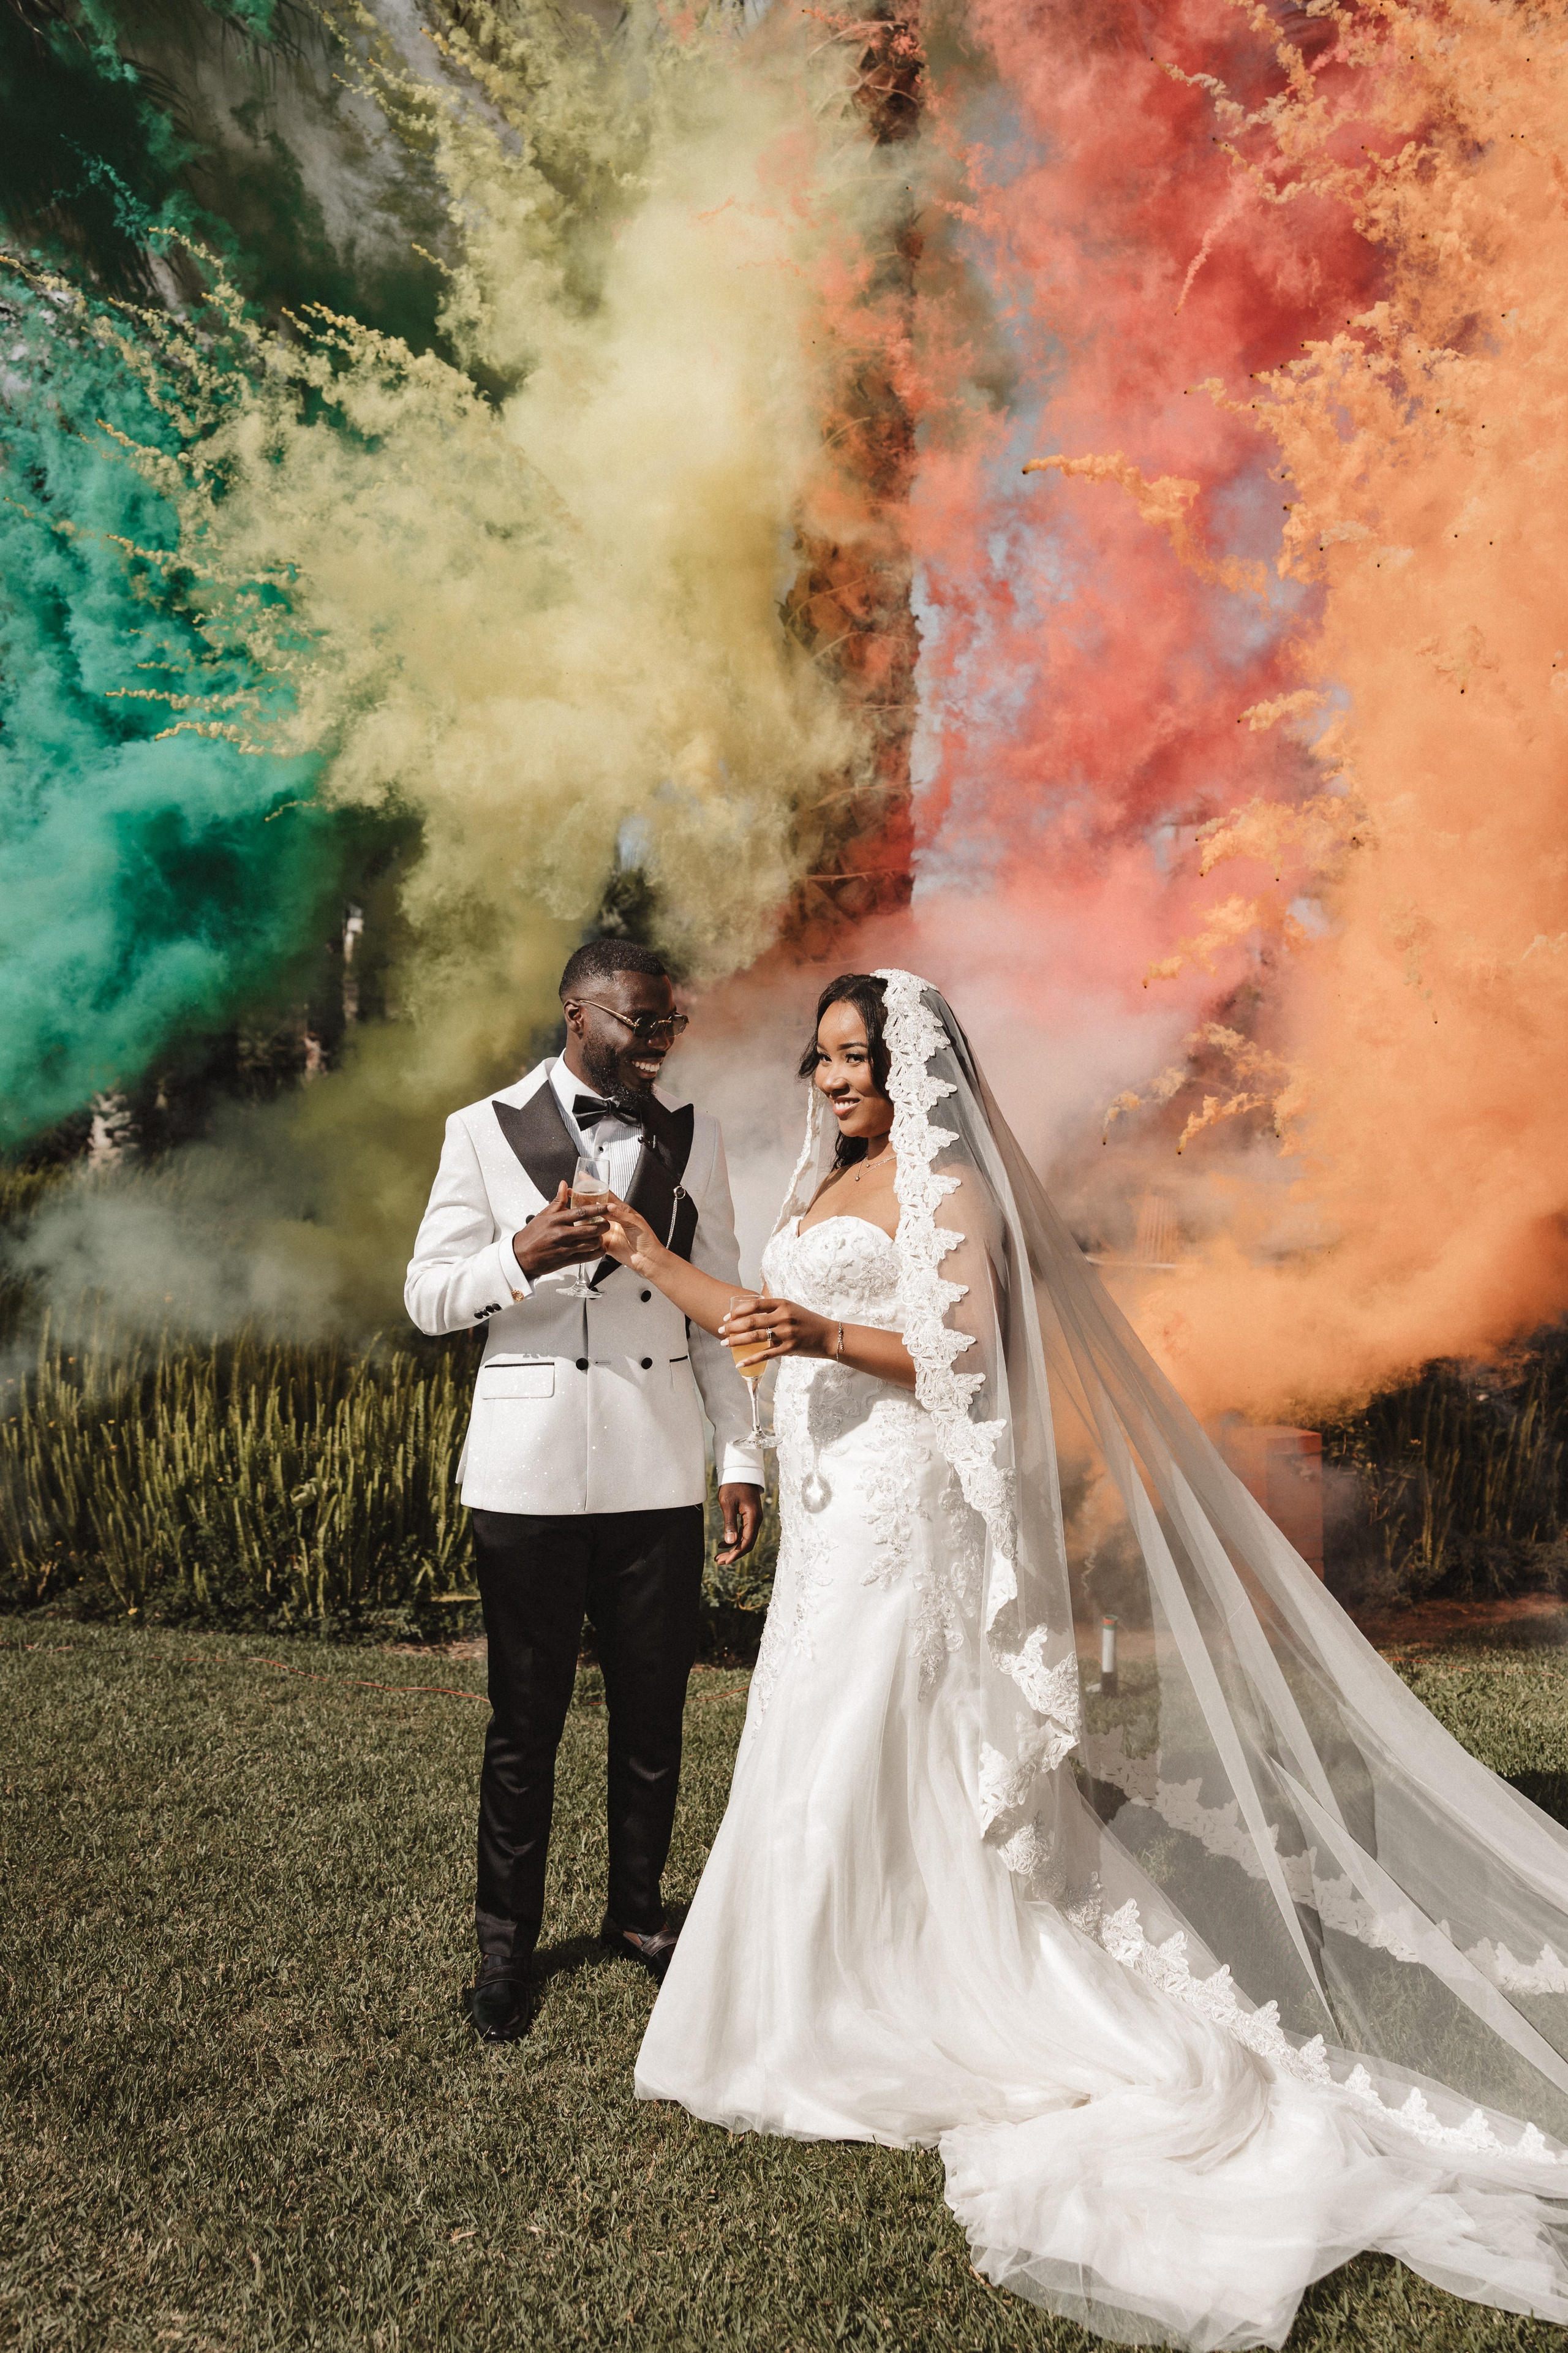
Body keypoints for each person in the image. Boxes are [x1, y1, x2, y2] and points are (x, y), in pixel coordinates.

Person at [598, 967, 1568, 2351]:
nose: (833, 1080)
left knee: (891, 1734)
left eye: (857, 1056)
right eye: (820, 1059)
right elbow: (766, 1324)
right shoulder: (823, 1189)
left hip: (904, 1509)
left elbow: (968, 1360)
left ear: (913, 1065)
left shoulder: (950, 1191)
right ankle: (802, 1989)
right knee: (813, 1733)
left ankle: (916, 1987)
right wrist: (649, 1254)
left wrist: (818, 1334)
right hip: (827, 1513)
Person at [404, 940, 764, 2042]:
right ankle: (505, 1950)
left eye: (670, 1025)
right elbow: (425, 1298)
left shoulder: (690, 1138)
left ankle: (642, 1917)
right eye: (641, 1022)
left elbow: (720, 1308)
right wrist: (516, 1253)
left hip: (656, 1465)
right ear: (576, 1011)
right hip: (527, 1471)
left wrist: (741, 1458)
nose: (660, 1041)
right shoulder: (482, 1130)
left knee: (654, 1713)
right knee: (526, 1721)